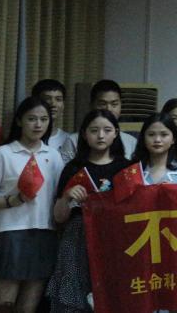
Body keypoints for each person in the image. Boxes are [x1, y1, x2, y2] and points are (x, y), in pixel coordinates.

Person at [0, 96, 63, 313]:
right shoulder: (2, 154)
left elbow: (58, 196)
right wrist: (12, 200)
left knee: (28, 308)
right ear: (19, 121)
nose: (38, 125)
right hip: (10, 234)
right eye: (32, 119)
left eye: (44, 119)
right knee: (4, 307)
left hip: (44, 234)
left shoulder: (53, 155)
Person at [47, 109, 130, 313]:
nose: (100, 135)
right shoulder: (73, 168)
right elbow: (59, 217)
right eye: (94, 130)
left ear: (116, 133)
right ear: (84, 134)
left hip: (116, 239)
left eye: (107, 130)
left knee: (115, 296)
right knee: (72, 297)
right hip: (78, 237)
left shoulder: (127, 168)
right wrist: (67, 197)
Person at [60, 80, 137, 160]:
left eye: (114, 104)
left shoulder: (131, 142)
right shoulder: (73, 141)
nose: (109, 109)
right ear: (91, 105)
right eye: (102, 104)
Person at [133, 112, 177, 185]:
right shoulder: (132, 172)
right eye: (151, 134)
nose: (157, 140)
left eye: (164, 135)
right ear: (143, 138)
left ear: (173, 139)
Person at [31, 79, 72, 160]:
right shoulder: (25, 139)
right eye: (47, 98)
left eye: (58, 99)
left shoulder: (69, 140)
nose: (53, 104)